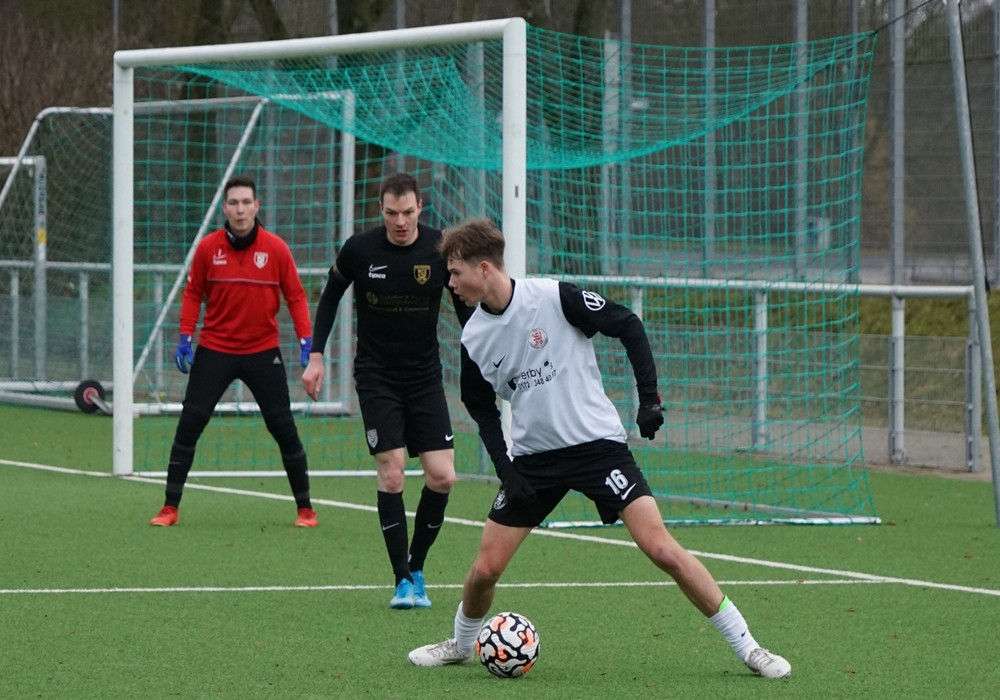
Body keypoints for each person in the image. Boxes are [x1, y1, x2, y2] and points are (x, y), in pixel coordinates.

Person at [406, 218, 791, 679]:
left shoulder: (554, 297)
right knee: (486, 569)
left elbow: (627, 324)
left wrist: (649, 399)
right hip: (534, 461)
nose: (450, 284)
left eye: (455, 273)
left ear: (483, 268)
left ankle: (750, 648)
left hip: (598, 449)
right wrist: (506, 469)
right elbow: (480, 408)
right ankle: (461, 644)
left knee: (662, 549)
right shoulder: (474, 336)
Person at [302, 173, 471, 609]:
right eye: (392, 213)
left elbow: (465, 310)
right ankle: (402, 581)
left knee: (443, 476)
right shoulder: (359, 250)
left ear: (421, 208)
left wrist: (487, 358)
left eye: (408, 212)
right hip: (376, 376)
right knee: (392, 471)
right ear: (381, 209)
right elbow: (329, 298)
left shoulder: (440, 249)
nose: (400, 221)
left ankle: (417, 567)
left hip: (425, 377)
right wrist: (316, 356)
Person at [149, 175, 317, 528]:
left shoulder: (276, 249)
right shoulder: (208, 249)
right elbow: (193, 294)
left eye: (246, 202)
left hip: (262, 351)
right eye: (234, 203)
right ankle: (169, 508)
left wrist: (307, 341)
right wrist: (184, 337)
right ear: (224, 208)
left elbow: (296, 296)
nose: (240, 209)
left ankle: (306, 510)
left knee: (282, 426)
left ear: (257, 206)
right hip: (215, 349)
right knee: (190, 423)